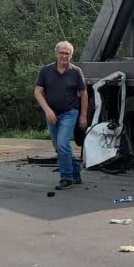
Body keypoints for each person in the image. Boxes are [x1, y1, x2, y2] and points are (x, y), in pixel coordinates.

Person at [34, 41, 89, 190]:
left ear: (71, 55)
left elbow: (84, 93)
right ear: (56, 54)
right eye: (61, 53)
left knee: (62, 144)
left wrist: (83, 115)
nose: (64, 56)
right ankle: (75, 171)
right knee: (59, 148)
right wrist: (47, 110)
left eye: (67, 53)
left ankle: (66, 178)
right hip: (52, 114)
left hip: (69, 113)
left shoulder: (76, 72)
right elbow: (38, 91)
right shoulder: (46, 71)